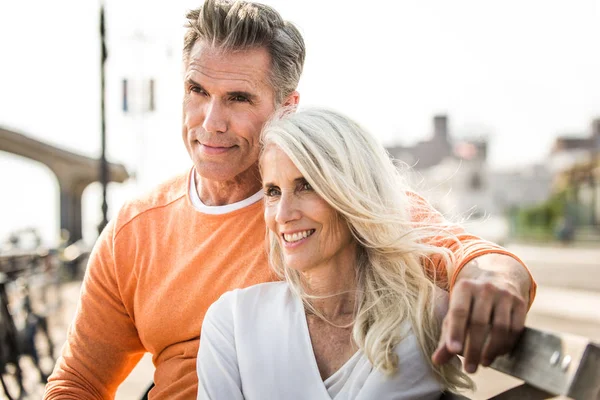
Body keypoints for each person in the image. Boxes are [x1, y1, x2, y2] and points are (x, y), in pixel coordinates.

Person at [44, 1, 535, 398]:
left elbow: (468, 256)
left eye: (238, 98)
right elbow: (79, 382)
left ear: (287, 107)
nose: (210, 121)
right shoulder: (137, 229)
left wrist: (493, 273)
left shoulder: (331, 206)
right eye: (197, 90)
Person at [197, 107, 474, 399]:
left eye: (306, 186)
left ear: (353, 192)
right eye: (274, 191)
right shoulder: (232, 318)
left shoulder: (418, 315)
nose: (283, 214)